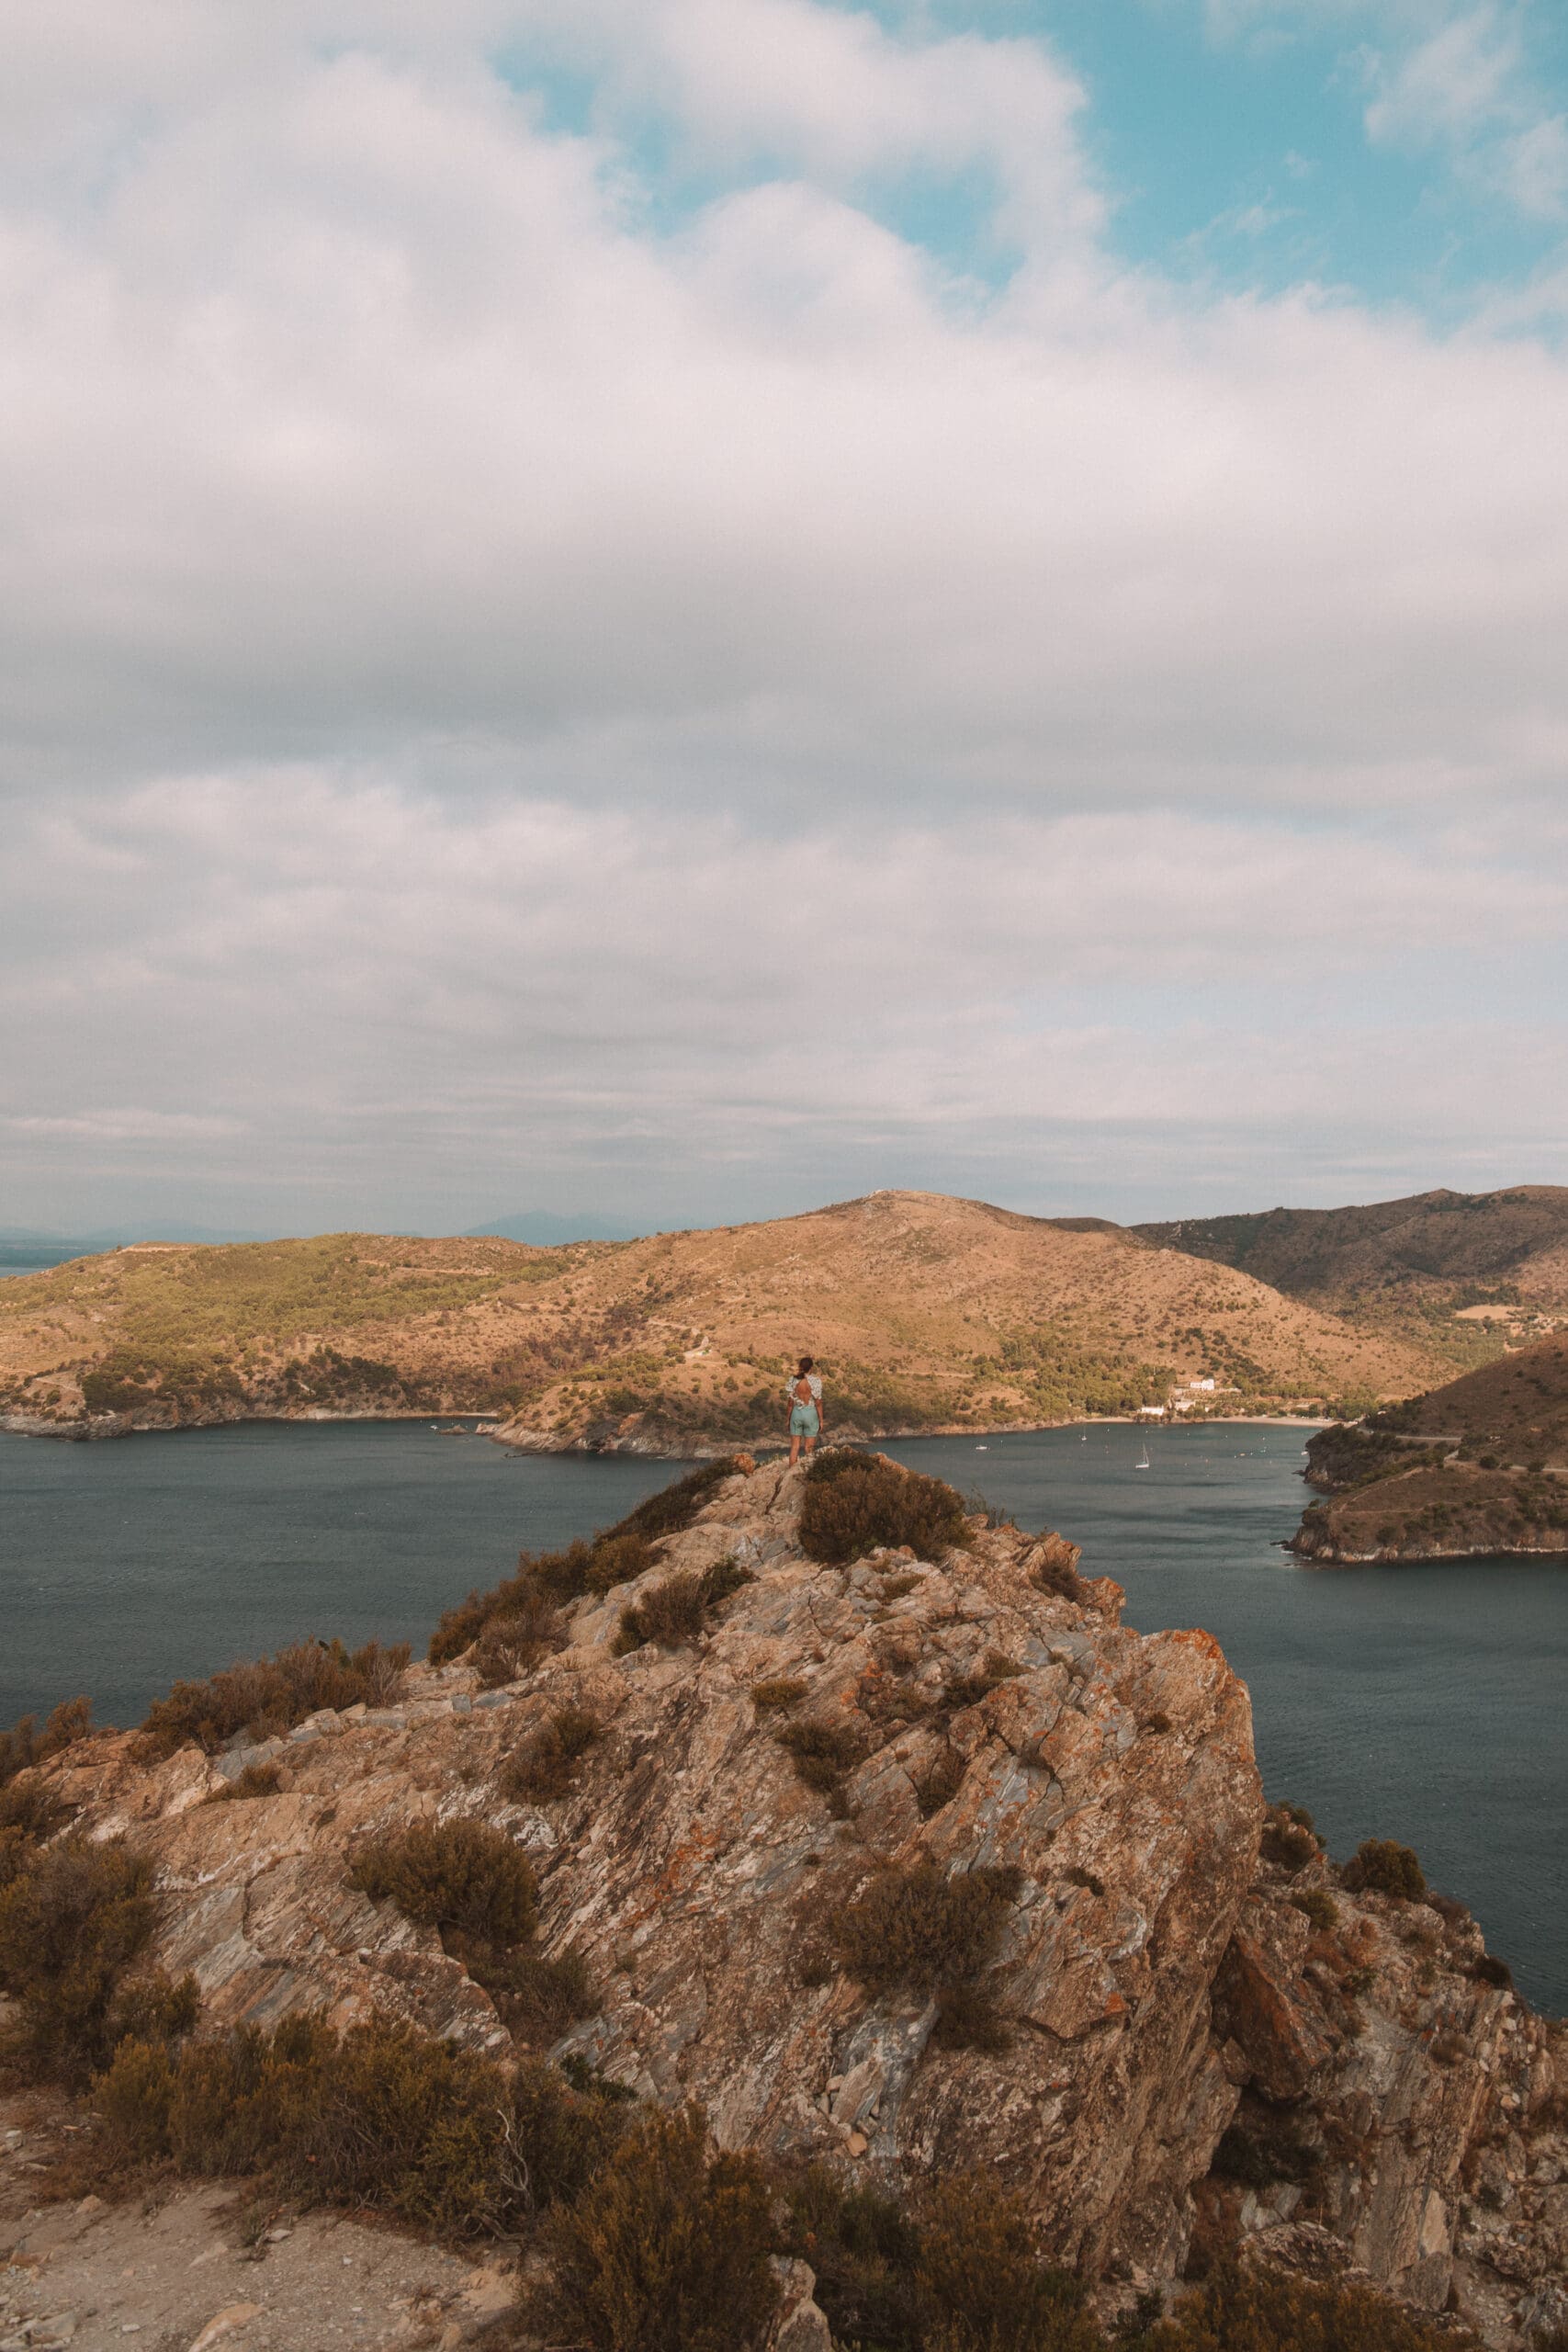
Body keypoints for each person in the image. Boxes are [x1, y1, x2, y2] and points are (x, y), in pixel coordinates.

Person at [786, 1355, 825, 1464]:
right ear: (811, 1368)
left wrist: (788, 1419)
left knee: (794, 1447)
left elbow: (790, 1403)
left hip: (796, 1413)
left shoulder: (793, 1380)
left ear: (800, 1367)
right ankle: (808, 1474)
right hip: (811, 1415)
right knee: (809, 1448)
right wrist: (821, 1420)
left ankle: (790, 1473)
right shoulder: (816, 1381)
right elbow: (818, 1403)